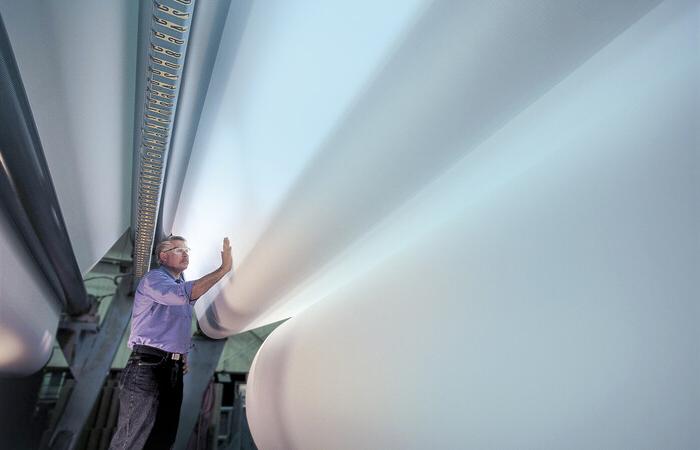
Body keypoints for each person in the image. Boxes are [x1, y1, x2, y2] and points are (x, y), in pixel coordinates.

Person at [110, 235, 233, 450]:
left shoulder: (180, 285)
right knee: (132, 440)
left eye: (187, 250)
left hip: (171, 369)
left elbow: (177, 322)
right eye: (179, 250)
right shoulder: (154, 279)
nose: (186, 254)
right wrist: (223, 269)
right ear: (163, 256)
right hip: (148, 366)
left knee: (163, 438)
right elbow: (180, 296)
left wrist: (180, 354)